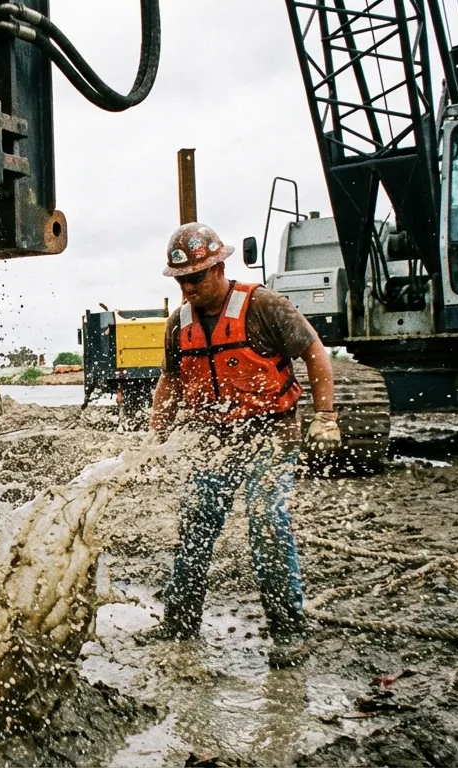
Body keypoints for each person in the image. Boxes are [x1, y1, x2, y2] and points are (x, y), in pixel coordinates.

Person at [143, 222, 341, 667]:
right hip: (218, 436)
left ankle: (290, 631)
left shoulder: (264, 306)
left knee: (266, 517)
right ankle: (180, 622)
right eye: (181, 280)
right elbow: (169, 384)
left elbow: (315, 355)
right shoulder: (180, 324)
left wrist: (324, 416)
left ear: (219, 268)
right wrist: (153, 443)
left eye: (196, 278)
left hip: (272, 429)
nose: (188, 288)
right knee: (197, 520)